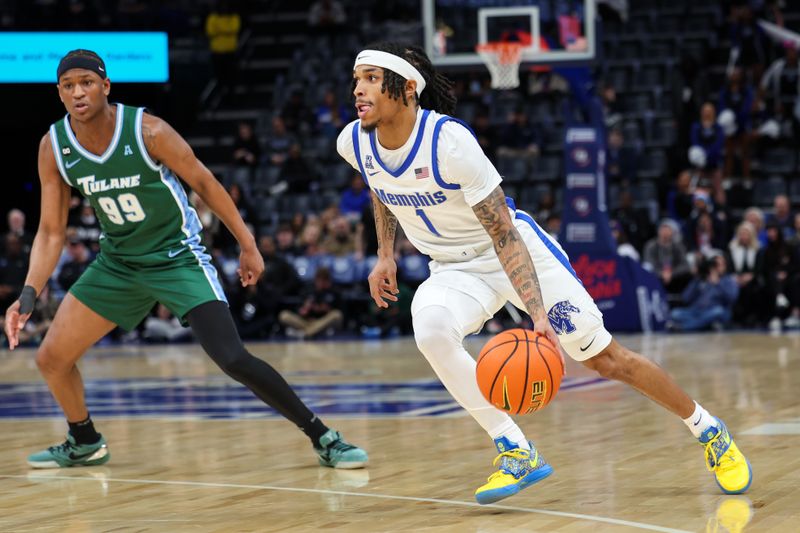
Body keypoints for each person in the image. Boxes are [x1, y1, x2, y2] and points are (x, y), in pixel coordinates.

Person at [337, 42, 751, 504]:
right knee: (430, 328)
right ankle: (516, 449)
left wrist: (536, 316)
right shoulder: (353, 141)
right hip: (453, 268)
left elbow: (505, 236)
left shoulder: (450, 143)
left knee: (604, 359)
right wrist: (385, 253)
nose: (359, 89)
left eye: (372, 78)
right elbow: (380, 184)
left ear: (407, 89)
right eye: (357, 79)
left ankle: (708, 430)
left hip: (512, 252)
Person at [4, 49, 366, 470]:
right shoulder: (54, 146)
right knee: (50, 358)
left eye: (86, 82)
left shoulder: (149, 131)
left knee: (232, 357)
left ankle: (323, 435)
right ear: (59, 94)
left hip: (176, 257)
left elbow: (206, 183)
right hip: (118, 263)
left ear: (105, 86)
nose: (77, 92)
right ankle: (85, 440)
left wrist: (247, 244)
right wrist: (30, 291)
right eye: (68, 86)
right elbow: (50, 231)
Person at [668, 254, 738, 332]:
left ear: (725, 266)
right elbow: (685, 298)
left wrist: (717, 284)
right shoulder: (701, 279)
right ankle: (706, 325)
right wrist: (697, 278)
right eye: (715, 265)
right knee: (675, 313)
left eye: (720, 265)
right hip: (697, 311)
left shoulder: (729, 280)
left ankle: (683, 327)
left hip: (715, 310)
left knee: (717, 312)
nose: (717, 267)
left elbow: (732, 299)